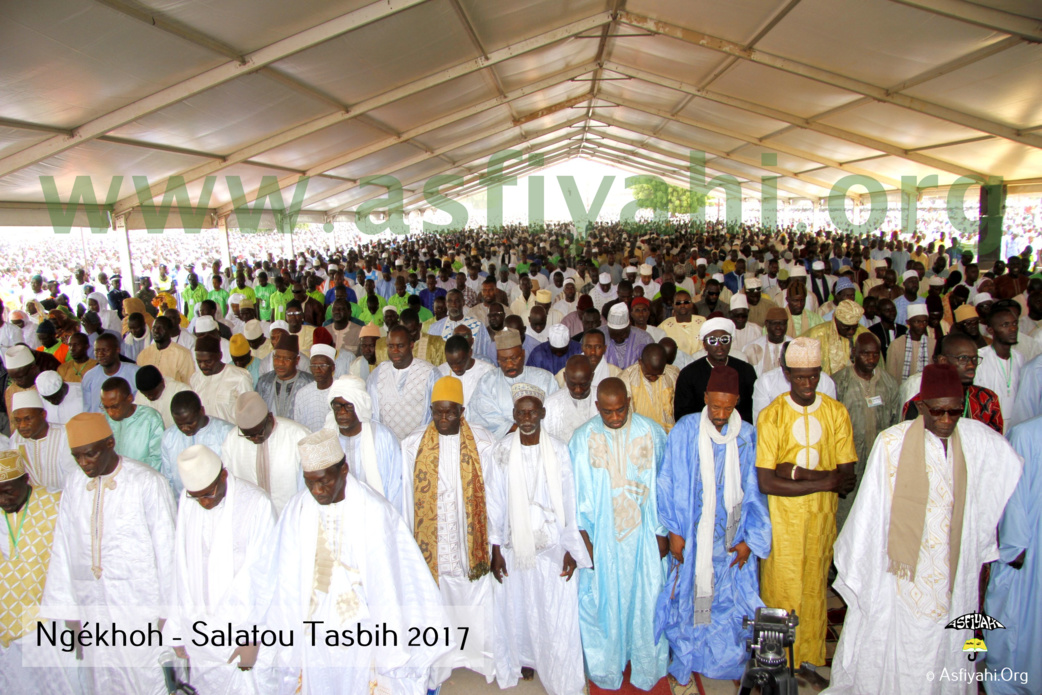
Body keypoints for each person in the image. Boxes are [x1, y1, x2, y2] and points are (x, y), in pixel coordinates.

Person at [827, 364, 1022, 695]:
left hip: (953, 569)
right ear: (921, 406)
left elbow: (1011, 467)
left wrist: (989, 531)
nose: (946, 421)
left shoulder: (975, 440)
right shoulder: (892, 443)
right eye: (938, 412)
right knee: (903, 643)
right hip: (900, 572)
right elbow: (869, 515)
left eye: (954, 412)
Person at [256, 428, 451, 694]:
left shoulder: (374, 511)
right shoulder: (297, 510)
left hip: (363, 625)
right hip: (313, 621)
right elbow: (283, 574)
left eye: (323, 480)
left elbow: (391, 581)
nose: (317, 490)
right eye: (309, 482)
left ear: (344, 470)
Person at [40, 412, 176, 695]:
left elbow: (169, 550)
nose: (83, 463)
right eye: (76, 456)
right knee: (102, 679)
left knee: (148, 679)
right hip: (92, 607)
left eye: (89, 454)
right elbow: (63, 547)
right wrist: (69, 611)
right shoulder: (75, 485)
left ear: (110, 443)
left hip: (140, 609)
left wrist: (170, 612)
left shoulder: (147, 482)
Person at [654, 365, 771, 683]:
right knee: (690, 597)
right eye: (715, 405)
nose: (720, 414)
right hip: (692, 537)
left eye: (728, 407)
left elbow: (756, 493)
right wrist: (674, 531)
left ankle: (724, 660)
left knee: (728, 602)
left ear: (737, 402)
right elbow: (667, 482)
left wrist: (750, 541)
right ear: (705, 397)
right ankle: (688, 654)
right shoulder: (685, 430)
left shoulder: (746, 436)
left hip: (731, 539)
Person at [755, 336, 857, 671]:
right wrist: (825, 480)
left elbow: (847, 479)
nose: (808, 384)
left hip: (821, 520)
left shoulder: (836, 412)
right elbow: (767, 482)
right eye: (800, 377)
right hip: (782, 521)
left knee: (814, 589)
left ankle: (811, 658)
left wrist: (796, 473)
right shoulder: (772, 415)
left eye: (814, 376)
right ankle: (774, 662)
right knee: (779, 588)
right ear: (786, 373)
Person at [489, 383, 591, 695]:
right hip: (514, 545)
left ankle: (556, 662)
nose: (527, 417)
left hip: (553, 545)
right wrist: (495, 549)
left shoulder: (560, 450)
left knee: (553, 608)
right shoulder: (502, 450)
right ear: (514, 415)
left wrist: (572, 549)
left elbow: (570, 501)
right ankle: (525, 658)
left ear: (543, 413)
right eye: (521, 412)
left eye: (532, 411)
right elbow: (494, 500)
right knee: (518, 607)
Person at [569, 377, 669, 689]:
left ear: (629, 402)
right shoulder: (582, 438)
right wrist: (584, 541)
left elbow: (664, 484)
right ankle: (607, 665)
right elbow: (573, 495)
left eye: (621, 410)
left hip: (642, 535)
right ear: (597, 407)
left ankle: (644, 663)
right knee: (603, 600)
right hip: (602, 537)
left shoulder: (651, 432)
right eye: (608, 412)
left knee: (646, 597)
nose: (615, 418)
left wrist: (662, 531)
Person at [400, 376, 498, 688]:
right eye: (437, 412)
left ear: (462, 410)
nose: (444, 419)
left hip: (471, 545)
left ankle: (475, 657)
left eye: (450, 413)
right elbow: (406, 499)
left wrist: (495, 544)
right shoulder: (412, 446)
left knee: (474, 597)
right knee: (437, 600)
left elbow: (494, 498)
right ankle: (441, 661)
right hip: (434, 544)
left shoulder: (483, 444)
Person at [164, 445, 278, 693]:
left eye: (209, 493)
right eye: (198, 496)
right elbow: (180, 565)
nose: (204, 502)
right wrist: (176, 629)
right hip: (201, 631)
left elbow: (266, 577)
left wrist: (253, 636)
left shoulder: (256, 504)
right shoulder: (188, 500)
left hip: (242, 633)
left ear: (224, 475)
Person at [0, 449, 80, 693]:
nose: (3, 499)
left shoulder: (56, 502)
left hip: (51, 621)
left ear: (26, 479)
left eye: (8, 490)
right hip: (7, 624)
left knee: (67, 685)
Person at [983, 414, 1042, 692]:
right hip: (1031, 551)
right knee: (1021, 619)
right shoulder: (1026, 434)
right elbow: (1013, 496)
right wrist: (1014, 546)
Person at [832, 333, 900, 530]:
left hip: (879, 461)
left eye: (875, 354)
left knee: (875, 512)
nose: (871, 359)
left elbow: (895, 424)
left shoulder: (889, 383)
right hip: (848, 463)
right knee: (846, 515)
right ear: (854, 353)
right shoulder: (839, 382)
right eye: (865, 354)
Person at [324, 375, 407, 520]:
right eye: (337, 406)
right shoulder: (325, 440)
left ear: (360, 406)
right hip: (337, 519)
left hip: (375, 517)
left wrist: (391, 521)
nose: (342, 412)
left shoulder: (382, 437)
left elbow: (396, 488)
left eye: (349, 406)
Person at [221, 392, 308, 514]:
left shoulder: (297, 435)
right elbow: (229, 480)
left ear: (270, 417)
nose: (254, 439)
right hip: (251, 518)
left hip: (290, 516)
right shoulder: (232, 440)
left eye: (259, 433)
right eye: (248, 436)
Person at [470, 329, 558, 439]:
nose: (510, 365)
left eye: (514, 358)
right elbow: (483, 416)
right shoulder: (487, 381)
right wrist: (518, 430)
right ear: (497, 359)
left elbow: (554, 412)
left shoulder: (545, 379)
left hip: (541, 440)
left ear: (523, 354)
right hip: (501, 443)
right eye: (503, 360)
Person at [674, 317, 758, 424]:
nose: (719, 346)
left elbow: (752, 409)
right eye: (712, 341)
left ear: (731, 342)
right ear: (704, 345)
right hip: (699, 432)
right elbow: (683, 415)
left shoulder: (746, 370)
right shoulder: (689, 374)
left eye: (724, 340)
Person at [366, 325, 439, 440]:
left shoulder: (430, 373)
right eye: (391, 346)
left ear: (411, 345)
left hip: (419, 444)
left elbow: (436, 413)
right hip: (386, 445)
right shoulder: (377, 374)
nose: (395, 351)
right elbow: (371, 414)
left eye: (400, 346)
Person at [161, 390, 236, 499]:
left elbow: (234, 475)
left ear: (202, 411)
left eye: (190, 423)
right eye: (180, 425)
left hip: (221, 502)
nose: (185, 428)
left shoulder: (226, 433)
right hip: (185, 504)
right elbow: (168, 479)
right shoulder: (168, 437)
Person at [9, 389, 78, 489]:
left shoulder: (65, 435)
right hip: (32, 501)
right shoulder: (16, 439)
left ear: (43, 415)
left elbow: (73, 475)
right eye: (17, 420)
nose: (22, 425)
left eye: (28, 419)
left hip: (65, 498)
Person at [100, 376, 164, 471]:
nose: (110, 413)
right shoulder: (104, 419)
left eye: (115, 406)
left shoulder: (151, 418)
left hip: (143, 480)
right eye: (105, 407)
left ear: (130, 398)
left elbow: (157, 459)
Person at [975, 307, 1023, 432]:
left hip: (1016, 425)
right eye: (1005, 325)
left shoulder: (1020, 358)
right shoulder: (979, 359)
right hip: (987, 426)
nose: (1013, 329)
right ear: (990, 330)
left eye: (1014, 323)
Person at [189, 334, 254, 423]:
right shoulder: (195, 379)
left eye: (208, 361)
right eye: (199, 361)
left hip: (232, 434)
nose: (203, 366)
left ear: (220, 356)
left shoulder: (240, 377)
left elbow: (249, 413)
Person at [619, 343, 679, 432]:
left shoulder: (673, 374)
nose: (654, 378)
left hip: (668, 434)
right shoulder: (625, 378)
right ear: (640, 362)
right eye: (649, 375)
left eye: (658, 374)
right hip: (639, 435)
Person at [801, 299, 868, 375]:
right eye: (846, 328)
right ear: (835, 321)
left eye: (854, 327)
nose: (851, 331)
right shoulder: (816, 335)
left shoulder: (864, 334)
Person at [543, 355, 599, 443]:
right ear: (565, 377)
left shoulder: (602, 399)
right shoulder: (551, 404)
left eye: (584, 385)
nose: (578, 390)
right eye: (572, 384)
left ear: (591, 377)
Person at [80, 332, 138, 413]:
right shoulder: (89, 376)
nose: (100, 354)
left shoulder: (135, 373)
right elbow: (87, 408)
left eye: (105, 350)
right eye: (97, 350)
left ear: (117, 350)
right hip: (99, 424)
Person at [135, 314, 195, 384]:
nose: (156, 331)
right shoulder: (143, 354)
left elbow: (189, 382)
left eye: (161, 328)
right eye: (154, 328)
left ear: (170, 331)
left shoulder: (183, 354)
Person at [886, 304, 934, 381]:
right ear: (908, 322)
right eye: (917, 322)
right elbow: (890, 376)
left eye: (924, 321)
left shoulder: (933, 344)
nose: (921, 325)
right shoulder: (896, 345)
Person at [132, 364, 189, 428]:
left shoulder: (181, 391)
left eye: (152, 394)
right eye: (145, 395)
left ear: (162, 382)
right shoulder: (139, 395)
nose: (149, 397)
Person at [601, 302, 653, 369]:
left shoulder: (645, 339)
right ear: (608, 329)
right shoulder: (598, 336)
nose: (618, 339)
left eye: (622, 334)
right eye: (614, 336)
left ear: (629, 326)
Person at [743, 306, 791, 376]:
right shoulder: (752, 348)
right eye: (774, 323)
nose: (778, 327)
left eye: (782, 323)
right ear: (766, 324)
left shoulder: (795, 346)